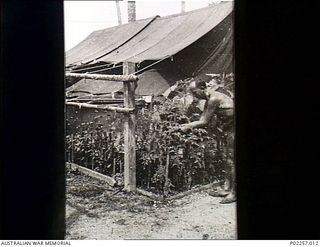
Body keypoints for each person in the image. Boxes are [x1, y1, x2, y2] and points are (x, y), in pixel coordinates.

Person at [178, 79, 236, 204]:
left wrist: (187, 126)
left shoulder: (214, 99)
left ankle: (234, 193)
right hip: (227, 130)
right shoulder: (209, 100)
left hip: (233, 130)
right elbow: (205, 120)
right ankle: (226, 188)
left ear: (202, 88)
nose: (194, 96)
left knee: (232, 160)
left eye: (194, 92)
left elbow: (204, 121)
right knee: (227, 158)